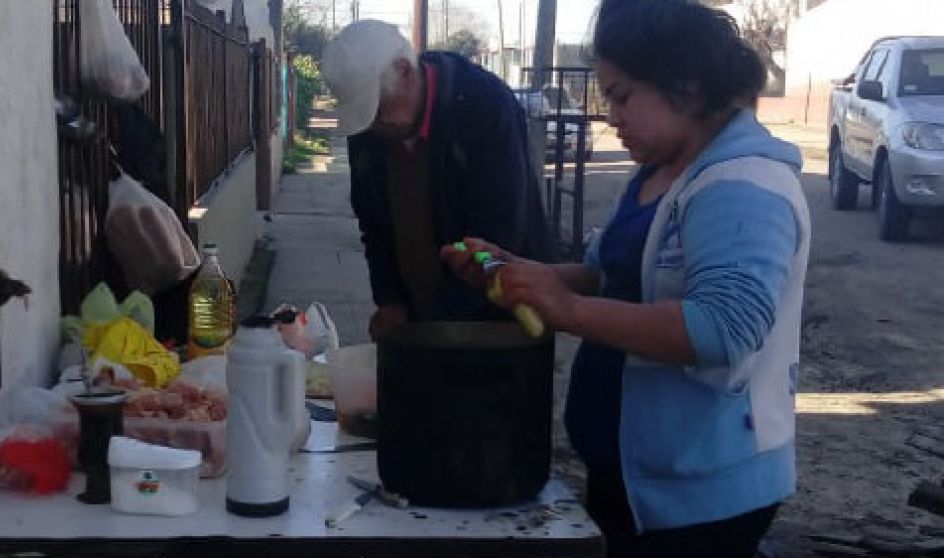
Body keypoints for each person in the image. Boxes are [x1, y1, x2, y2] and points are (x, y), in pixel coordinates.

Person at [441, 0, 811, 556]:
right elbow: (610, 275)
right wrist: (523, 272)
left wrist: (566, 311)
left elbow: (722, 330)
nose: (610, 115)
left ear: (684, 88)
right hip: (638, 474)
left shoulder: (740, 184)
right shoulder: (662, 170)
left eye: (621, 96)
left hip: (703, 495)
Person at [321, 20, 550, 341]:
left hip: (500, 324)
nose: (373, 123)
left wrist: (437, 328)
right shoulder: (370, 129)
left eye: (375, 108)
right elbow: (374, 227)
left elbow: (498, 235)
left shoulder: (484, 105)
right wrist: (391, 300)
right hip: (421, 321)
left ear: (404, 70)